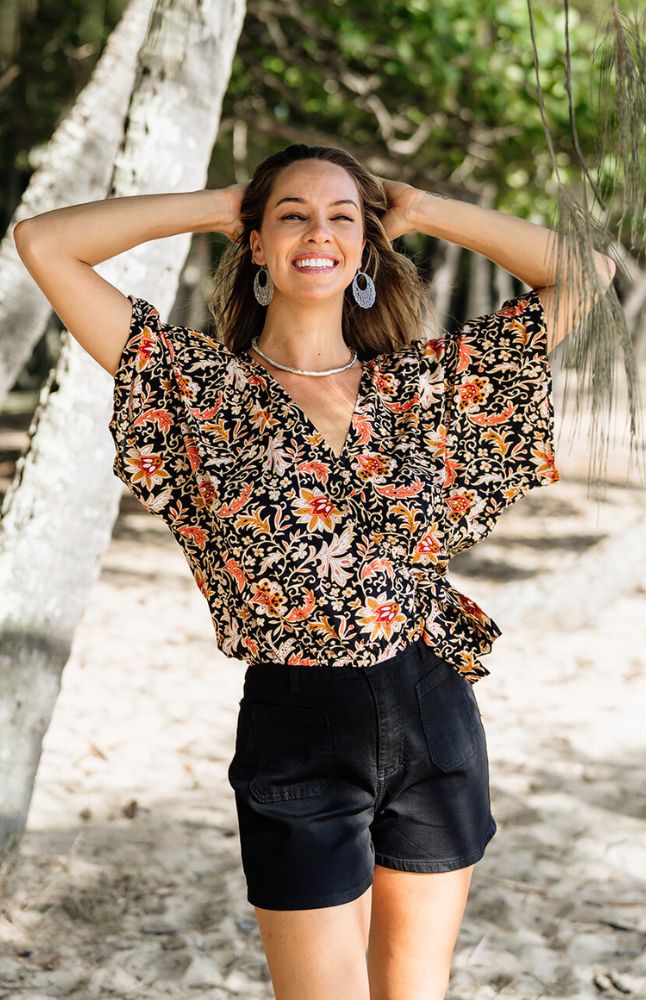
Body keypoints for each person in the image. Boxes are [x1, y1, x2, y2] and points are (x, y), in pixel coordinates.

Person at [14, 142, 615, 1000]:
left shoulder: (423, 387)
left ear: (367, 249)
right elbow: (43, 241)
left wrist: (422, 208)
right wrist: (220, 203)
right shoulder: (196, 389)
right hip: (294, 726)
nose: (317, 232)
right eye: (291, 215)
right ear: (256, 244)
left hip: (431, 712)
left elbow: (584, 273)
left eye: (342, 217)